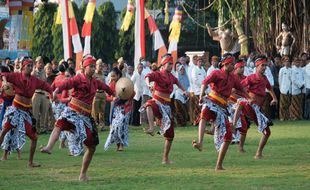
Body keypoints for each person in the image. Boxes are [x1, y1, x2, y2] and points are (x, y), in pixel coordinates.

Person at [40, 55, 114, 181]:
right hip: (73, 111)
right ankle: (49, 146)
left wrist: (116, 93)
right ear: (84, 67)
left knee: (92, 147)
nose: (92, 69)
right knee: (59, 123)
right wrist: (56, 90)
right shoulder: (78, 78)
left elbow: (106, 88)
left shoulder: (96, 82)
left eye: (93, 66)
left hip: (85, 117)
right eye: (90, 66)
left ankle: (83, 174)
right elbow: (66, 84)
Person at [192, 54, 250, 170]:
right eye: (232, 64)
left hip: (223, 107)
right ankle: (200, 142)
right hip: (212, 101)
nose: (234, 66)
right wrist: (201, 94)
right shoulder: (216, 73)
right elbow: (204, 82)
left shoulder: (233, 77)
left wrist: (249, 98)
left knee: (228, 137)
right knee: (204, 115)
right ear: (225, 64)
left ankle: (219, 165)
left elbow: (241, 89)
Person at [0, 57, 53, 167]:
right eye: (28, 66)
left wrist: (53, 93)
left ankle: (30, 162)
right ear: (23, 67)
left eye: (31, 65)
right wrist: (5, 82)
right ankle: (4, 154)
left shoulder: (34, 80)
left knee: (34, 137)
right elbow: (3, 74)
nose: (30, 67)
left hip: (26, 113)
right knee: (5, 130)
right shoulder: (16, 76)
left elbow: (46, 86)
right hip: (15, 110)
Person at [141, 54, 188, 164]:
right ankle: (152, 128)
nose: (171, 66)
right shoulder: (158, 74)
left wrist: (184, 91)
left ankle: (165, 158)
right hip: (157, 102)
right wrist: (149, 85)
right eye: (169, 64)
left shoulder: (172, 77)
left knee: (170, 135)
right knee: (149, 104)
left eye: (172, 64)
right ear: (163, 64)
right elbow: (147, 76)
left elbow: (178, 83)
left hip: (167, 107)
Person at [234, 55, 278, 159]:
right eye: (262, 65)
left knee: (267, 132)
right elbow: (239, 88)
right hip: (251, 105)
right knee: (241, 102)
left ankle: (258, 153)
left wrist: (274, 98)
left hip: (258, 109)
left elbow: (269, 88)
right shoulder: (251, 77)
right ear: (257, 66)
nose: (264, 67)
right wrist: (248, 98)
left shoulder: (265, 78)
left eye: (265, 65)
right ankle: (233, 124)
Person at [31, 56, 49, 134]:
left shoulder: (44, 72)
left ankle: (43, 129)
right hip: (36, 94)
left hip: (44, 94)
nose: (41, 64)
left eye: (42, 63)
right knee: (35, 112)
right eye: (39, 63)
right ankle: (34, 129)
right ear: (36, 64)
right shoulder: (33, 72)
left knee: (44, 112)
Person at [92, 59, 107, 131]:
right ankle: (94, 125)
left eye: (102, 65)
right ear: (96, 66)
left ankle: (102, 125)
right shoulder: (93, 75)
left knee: (102, 111)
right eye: (99, 65)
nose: (101, 67)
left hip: (103, 94)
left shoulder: (103, 74)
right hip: (96, 94)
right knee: (95, 111)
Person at [278, 56, 292, 121]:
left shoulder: (291, 70)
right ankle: (282, 117)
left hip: (289, 89)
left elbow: (291, 80)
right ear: (283, 62)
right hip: (283, 89)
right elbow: (279, 79)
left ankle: (287, 117)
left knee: (288, 103)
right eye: (286, 61)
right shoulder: (282, 70)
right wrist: (281, 88)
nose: (287, 62)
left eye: (288, 61)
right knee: (282, 104)